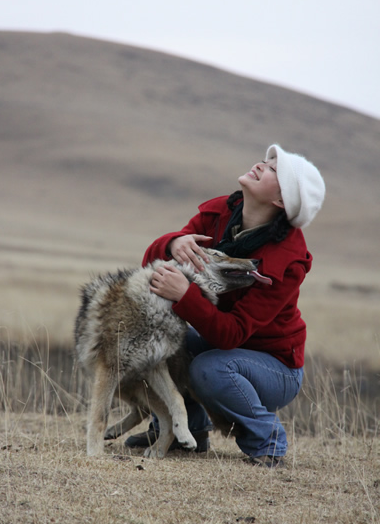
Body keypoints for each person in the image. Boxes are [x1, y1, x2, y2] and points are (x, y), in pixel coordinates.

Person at [125, 144, 325, 468]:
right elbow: (153, 265)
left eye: (274, 170)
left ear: (281, 201)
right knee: (161, 344)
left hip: (274, 367)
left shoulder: (287, 259)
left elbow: (231, 335)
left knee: (210, 367)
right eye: (265, 161)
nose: (262, 165)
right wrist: (173, 242)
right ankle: (184, 430)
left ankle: (268, 443)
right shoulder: (219, 214)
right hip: (223, 347)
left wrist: (185, 295)